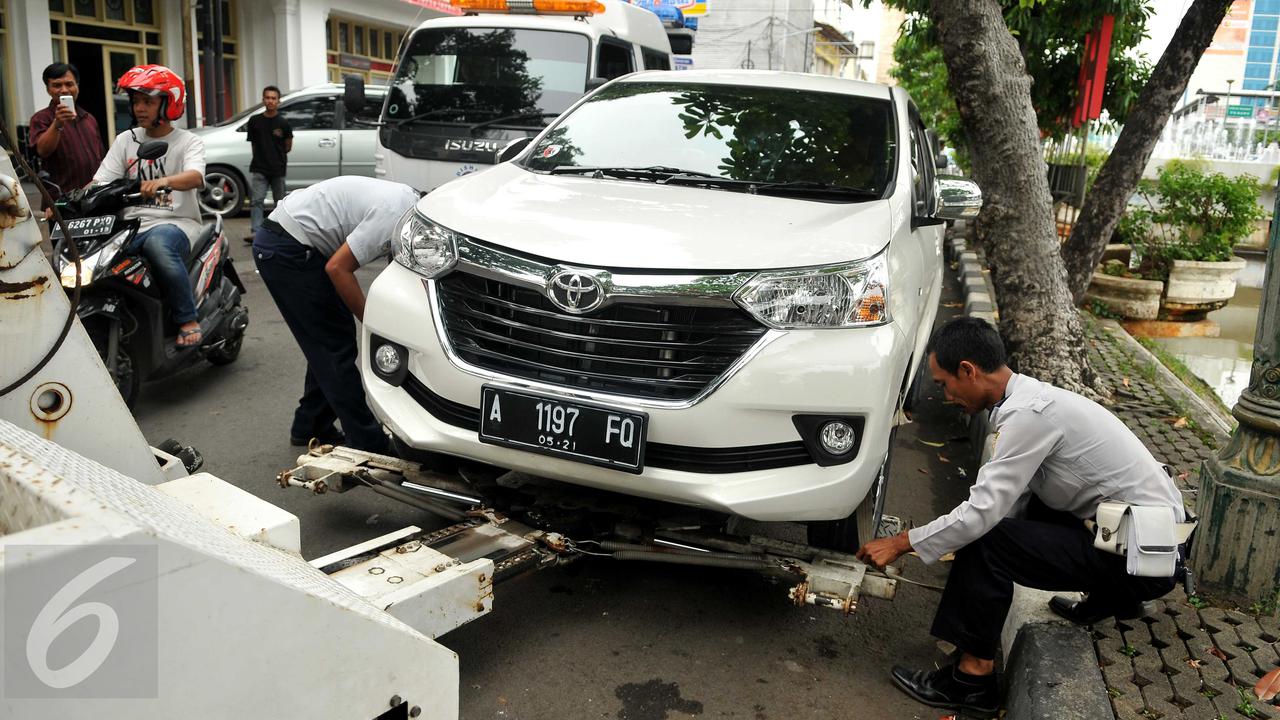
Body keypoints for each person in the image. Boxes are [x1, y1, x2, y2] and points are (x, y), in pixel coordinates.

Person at [856, 317, 1187, 718]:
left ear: (968, 370)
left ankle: (972, 680)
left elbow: (982, 514)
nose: (945, 395)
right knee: (1005, 525)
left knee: (985, 541)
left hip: (1145, 557)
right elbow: (1014, 501)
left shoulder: (1028, 415)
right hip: (1144, 540)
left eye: (944, 384)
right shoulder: (1031, 398)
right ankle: (1112, 598)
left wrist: (901, 543)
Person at [252, 176, 420, 452]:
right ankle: (368, 442)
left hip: (291, 241)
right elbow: (338, 268)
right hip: (287, 249)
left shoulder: (407, 201)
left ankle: (310, 424)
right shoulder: (394, 215)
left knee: (330, 341)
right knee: (334, 347)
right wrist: (372, 322)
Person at [92, 65, 206, 348]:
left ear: (169, 104)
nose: (139, 108)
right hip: (130, 225)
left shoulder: (188, 142)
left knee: (159, 246)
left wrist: (164, 181)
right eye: (136, 101)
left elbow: (195, 176)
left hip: (175, 223)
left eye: (148, 101)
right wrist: (67, 202)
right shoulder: (126, 140)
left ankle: (187, 318)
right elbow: (100, 181)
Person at [29, 62, 105, 212]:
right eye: (57, 85)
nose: (64, 90)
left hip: (93, 199)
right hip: (61, 203)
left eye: (69, 84)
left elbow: (101, 158)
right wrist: (57, 124)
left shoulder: (89, 119)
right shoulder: (41, 119)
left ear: (77, 86)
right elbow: (43, 151)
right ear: (48, 89)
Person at [244, 85, 292, 243]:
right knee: (257, 201)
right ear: (263, 99)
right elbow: (253, 144)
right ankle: (256, 232)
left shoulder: (283, 123)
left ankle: (279, 232)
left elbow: (288, 146)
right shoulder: (254, 121)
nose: (270, 101)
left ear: (278, 101)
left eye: (273, 98)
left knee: (280, 203)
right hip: (259, 168)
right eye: (268, 98)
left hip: (278, 168)